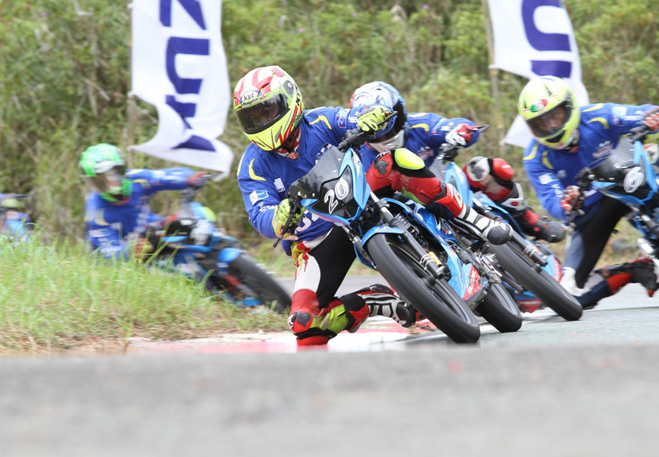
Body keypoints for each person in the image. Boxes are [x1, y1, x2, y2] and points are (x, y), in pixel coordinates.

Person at [234, 66, 511, 347]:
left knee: (395, 160)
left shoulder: (321, 120)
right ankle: (377, 302)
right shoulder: (252, 166)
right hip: (317, 241)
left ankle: (470, 218)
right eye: (252, 117)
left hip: (361, 196)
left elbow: (351, 117)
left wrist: (371, 116)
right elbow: (259, 214)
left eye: (267, 111)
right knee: (305, 325)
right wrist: (277, 218)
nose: (262, 120)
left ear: (289, 100)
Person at [519, 75, 659, 308]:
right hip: (593, 208)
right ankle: (633, 270)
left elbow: (634, 113)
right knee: (567, 299)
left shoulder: (597, 115)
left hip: (630, 177)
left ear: (568, 107)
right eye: (540, 123)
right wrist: (566, 203)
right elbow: (552, 201)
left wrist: (651, 116)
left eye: (554, 116)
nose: (550, 127)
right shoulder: (534, 157)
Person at [349, 81, 565, 243]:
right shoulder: (359, 156)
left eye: (390, 126)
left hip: (448, 184)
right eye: (375, 132)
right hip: (408, 210)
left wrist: (459, 132)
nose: (385, 136)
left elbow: (453, 125)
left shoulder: (420, 124)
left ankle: (532, 221)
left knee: (484, 169)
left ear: (401, 114)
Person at [78, 143, 207, 259]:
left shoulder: (137, 179)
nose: (109, 184)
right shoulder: (95, 212)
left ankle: (208, 245)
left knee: (197, 212)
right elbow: (109, 254)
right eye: (98, 181)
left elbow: (169, 175)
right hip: (131, 252)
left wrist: (190, 178)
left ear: (120, 171)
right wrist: (134, 248)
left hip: (154, 230)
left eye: (110, 176)